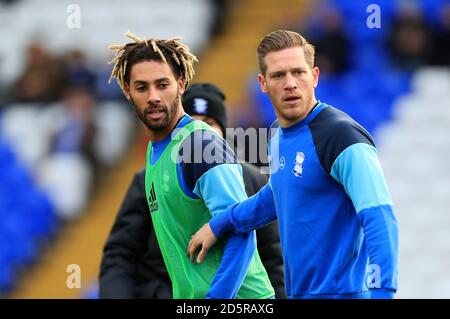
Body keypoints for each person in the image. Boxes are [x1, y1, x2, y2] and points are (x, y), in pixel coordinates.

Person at [188, 30, 399, 299]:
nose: (290, 83)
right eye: (278, 75)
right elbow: (277, 195)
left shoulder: (341, 136)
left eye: (298, 72)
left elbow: (379, 216)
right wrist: (220, 224)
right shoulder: (277, 136)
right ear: (263, 83)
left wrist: (383, 293)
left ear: (314, 76)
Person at [105, 32, 275, 299]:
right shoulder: (155, 150)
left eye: (162, 85)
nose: (153, 96)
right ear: (127, 91)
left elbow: (242, 233)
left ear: (181, 84)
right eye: (142, 87)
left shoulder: (200, 144)